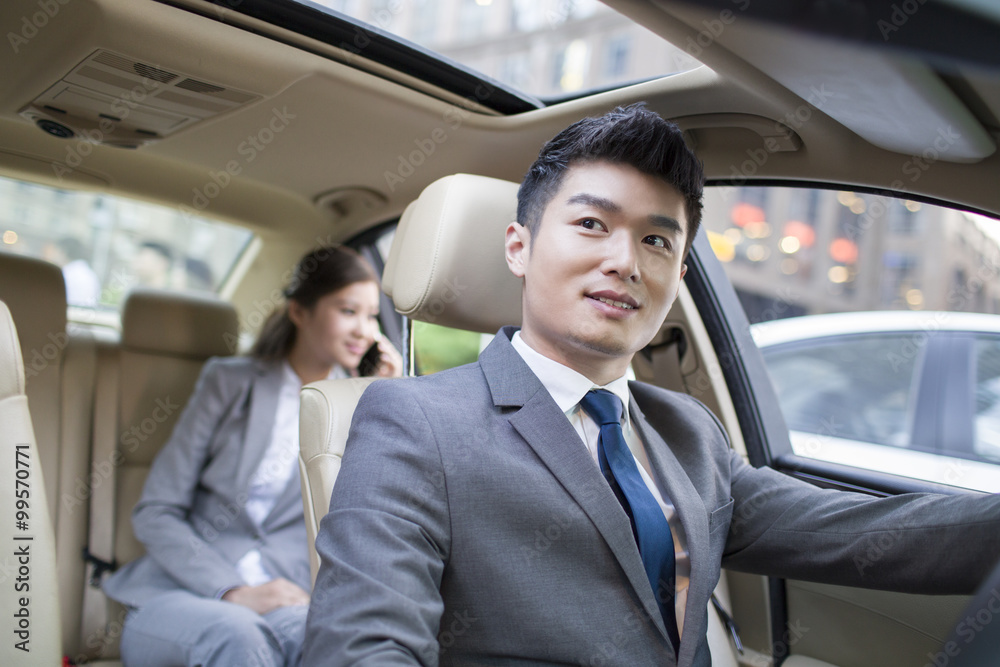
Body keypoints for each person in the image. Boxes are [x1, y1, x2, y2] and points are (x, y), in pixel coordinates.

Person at [302, 105, 1000, 666]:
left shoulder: (688, 431)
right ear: (519, 245)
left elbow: (865, 534)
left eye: (657, 241)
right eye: (591, 224)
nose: (623, 261)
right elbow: (362, 644)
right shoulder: (414, 420)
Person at [103, 245, 402, 667]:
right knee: (239, 636)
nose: (365, 331)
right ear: (300, 312)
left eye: (372, 316)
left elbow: (370, 523)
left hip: (289, 600)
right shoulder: (227, 382)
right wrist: (233, 591)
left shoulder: (357, 407)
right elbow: (155, 512)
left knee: (348, 646)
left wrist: (379, 403)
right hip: (188, 596)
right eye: (348, 311)